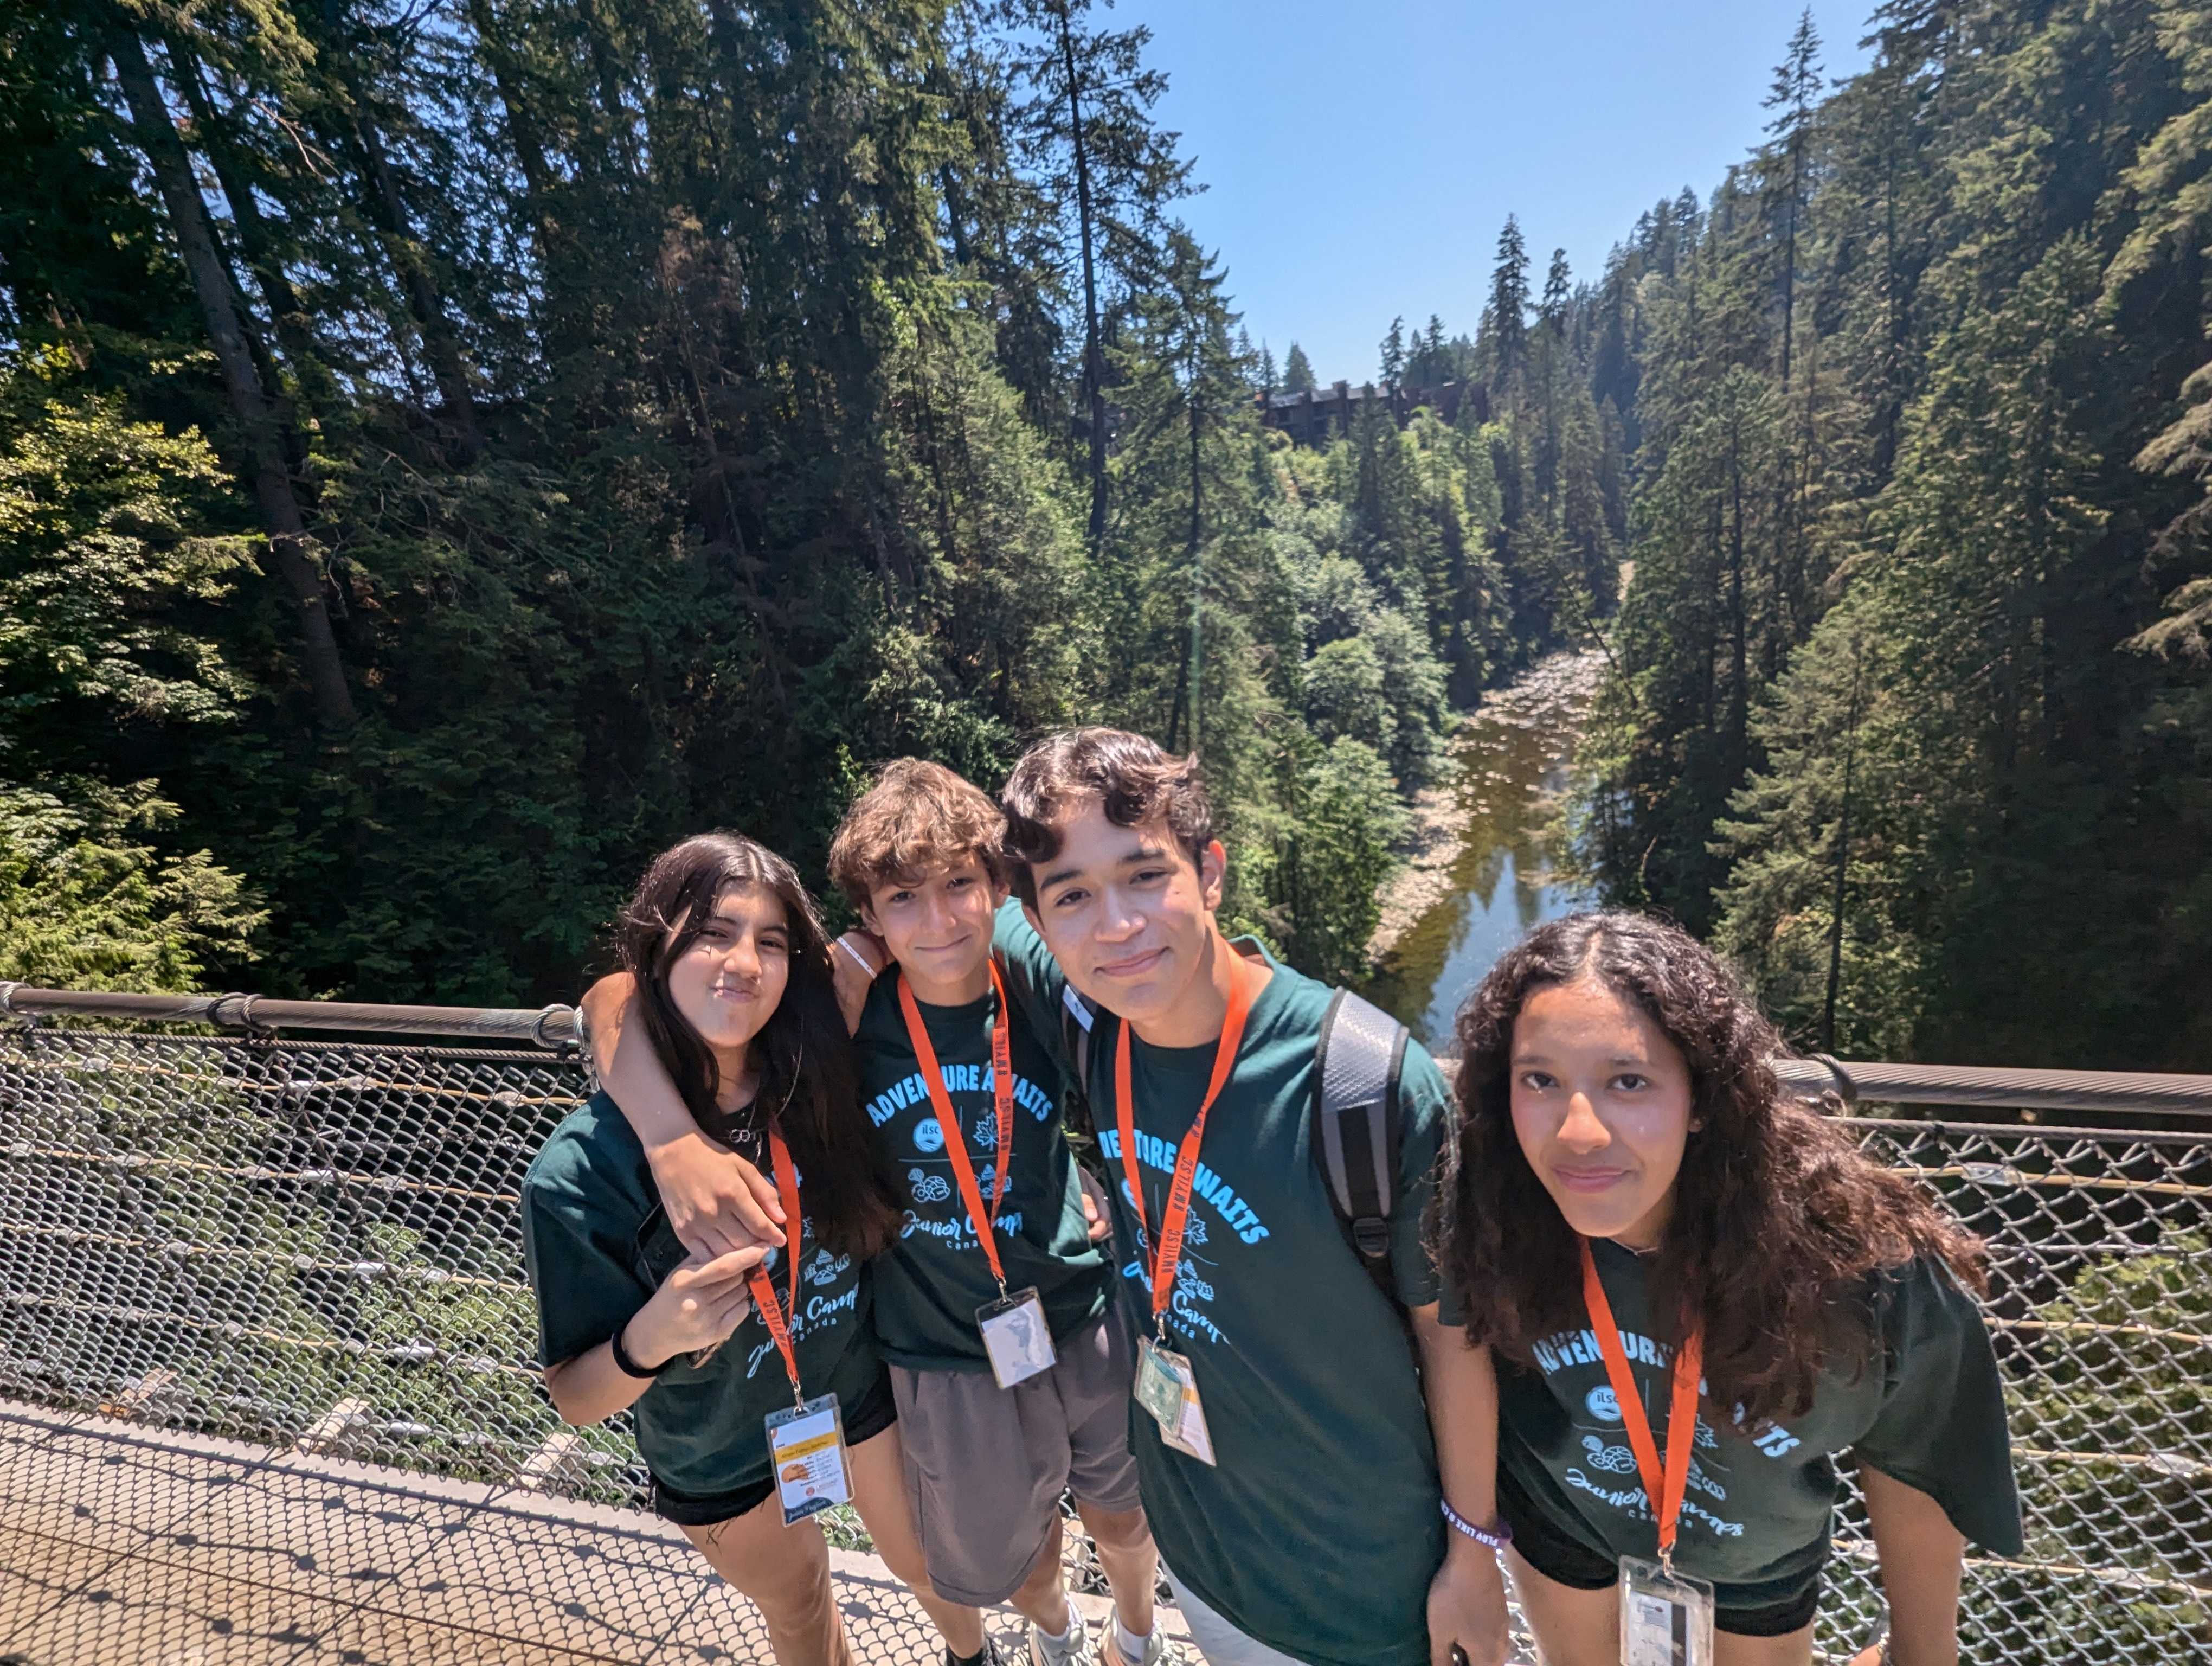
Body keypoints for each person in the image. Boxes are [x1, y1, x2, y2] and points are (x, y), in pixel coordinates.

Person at [581, 763, 1173, 1666]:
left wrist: (1086, 1175)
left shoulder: (1035, 983)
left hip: (1078, 1303)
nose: (938, 920)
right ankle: (1057, 1631)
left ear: (996, 885)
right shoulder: (841, 1009)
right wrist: (670, 1141)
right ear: (868, 913)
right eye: (903, 897)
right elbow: (615, 997)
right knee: (1018, 1554)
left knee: (1125, 1515)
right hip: (940, 1342)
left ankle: (1135, 1636)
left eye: (959, 885)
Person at [996, 727, 1512, 1666]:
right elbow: (945, 901)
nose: (1115, 925)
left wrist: (1474, 1556)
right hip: (1198, 1549)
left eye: (1145, 875)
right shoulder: (1094, 1028)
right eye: (1072, 896)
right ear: (1039, 919)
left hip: (1362, 1590)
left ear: (1211, 873)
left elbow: (1454, 1336)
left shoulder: (1363, 1084)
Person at [1439, 911, 2022, 1666]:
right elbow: (1452, 1359)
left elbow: (1918, 1461)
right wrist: (1469, 1550)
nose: (1578, 1133)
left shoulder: (1858, 1267)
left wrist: (1922, 1654)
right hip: (1563, 1525)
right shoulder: (1489, 1213)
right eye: (1541, 1080)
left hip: (1754, 1562)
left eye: (1628, 1082)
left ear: (1704, 1098)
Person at [522, 833, 972, 1666]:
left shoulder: (815, 1068)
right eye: (712, 934)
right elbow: (575, 1398)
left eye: (771, 942)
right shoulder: (584, 1173)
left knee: (928, 1558)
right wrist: (654, 1336)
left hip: (849, 1382)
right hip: (716, 1443)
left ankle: (971, 1657)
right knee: (799, 1603)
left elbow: (916, 931)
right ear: (660, 947)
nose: (743, 962)